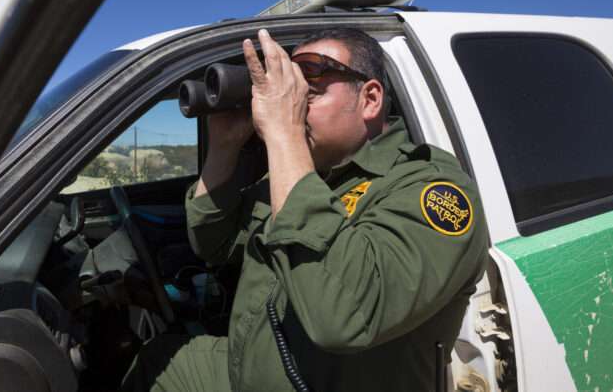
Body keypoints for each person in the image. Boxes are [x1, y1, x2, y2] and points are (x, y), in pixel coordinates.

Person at [122, 27, 489, 391]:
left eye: (306, 95)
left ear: (370, 99)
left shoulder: (429, 189)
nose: (292, 109)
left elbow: (343, 319)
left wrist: (284, 132)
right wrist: (223, 148)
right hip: (248, 370)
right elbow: (212, 244)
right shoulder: (303, 175)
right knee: (160, 361)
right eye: (289, 99)